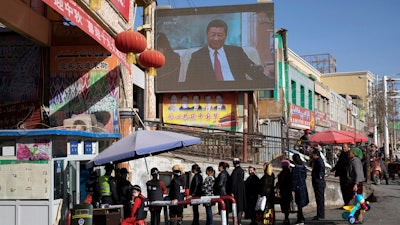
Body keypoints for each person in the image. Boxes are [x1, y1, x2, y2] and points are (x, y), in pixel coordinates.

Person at [185, 19, 269, 86]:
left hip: (237, 94)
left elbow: (256, 74)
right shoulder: (197, 57)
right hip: (211, 98)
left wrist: (271, 86)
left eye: (220, 35)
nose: (216, 38)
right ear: (207, 35)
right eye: (213, 35)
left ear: (225, 36)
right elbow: (189, 83)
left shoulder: (237, 52)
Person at [346, 147, 366, 224]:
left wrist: (356, 184)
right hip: (355, 183)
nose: (349, 153)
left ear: (354, 154)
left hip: (356, 183)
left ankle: (359, 218)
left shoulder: (355, 161)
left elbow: (357, 173)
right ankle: (358, 217)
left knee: (357, 202)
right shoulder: (353, 161)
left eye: (350, 152)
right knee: (356, 201)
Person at [292, 154, 309, 225]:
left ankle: (300, 220)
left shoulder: (296, 169)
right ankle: (301, 217)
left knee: (298, 203)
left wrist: (292, 189)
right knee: (300, 203)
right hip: (303, 186)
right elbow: (305, 176)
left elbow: (294, 180)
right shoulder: (303, 167)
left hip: (298, 187)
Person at [230, 158, 246, 225]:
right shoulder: (242, 170)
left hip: (236, 191)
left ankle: (237, 222)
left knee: (236, 206)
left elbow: (233, 182)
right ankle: (239, 221)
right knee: (241, 206)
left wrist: (232, 191)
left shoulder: (235, 171)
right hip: (241, 190)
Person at [311, 148, 326, 220]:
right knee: (319, 199)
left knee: (320, 199)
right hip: (318, 182)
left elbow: (322, 168)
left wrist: (319, 177)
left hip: (319, 183)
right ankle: (319, 214)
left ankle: (320, 215)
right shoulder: (317, 161)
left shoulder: (319, 161)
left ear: (315, 155)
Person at [277, 160, 292, 225]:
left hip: (283, 192)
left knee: (284, 205)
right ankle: (286, 218)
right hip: (288, 191)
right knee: (287, 205)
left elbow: (280, 183)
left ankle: (286, 218)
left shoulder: (281, 174)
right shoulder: (290, 173)